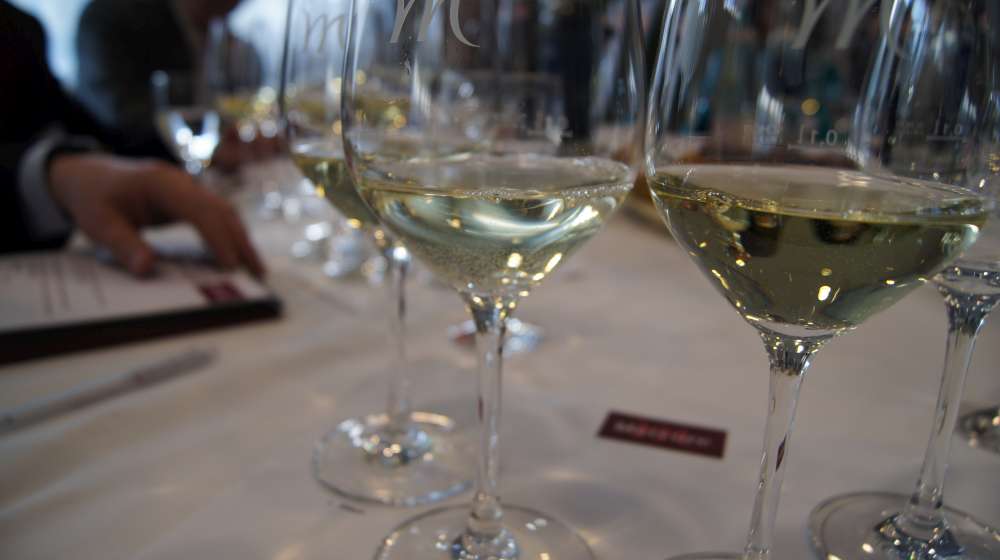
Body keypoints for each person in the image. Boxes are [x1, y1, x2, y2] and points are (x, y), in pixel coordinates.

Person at [0, 1, 264, 277]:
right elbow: (114, 118)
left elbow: (74, 125)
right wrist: (52, 176)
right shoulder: (111, 15)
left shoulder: (21, 27)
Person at [75, 0, 245, 160]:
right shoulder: (111, 15)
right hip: (127, 166)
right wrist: (210, 148)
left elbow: (235, 99)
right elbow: (119, 112)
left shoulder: (226, 35)